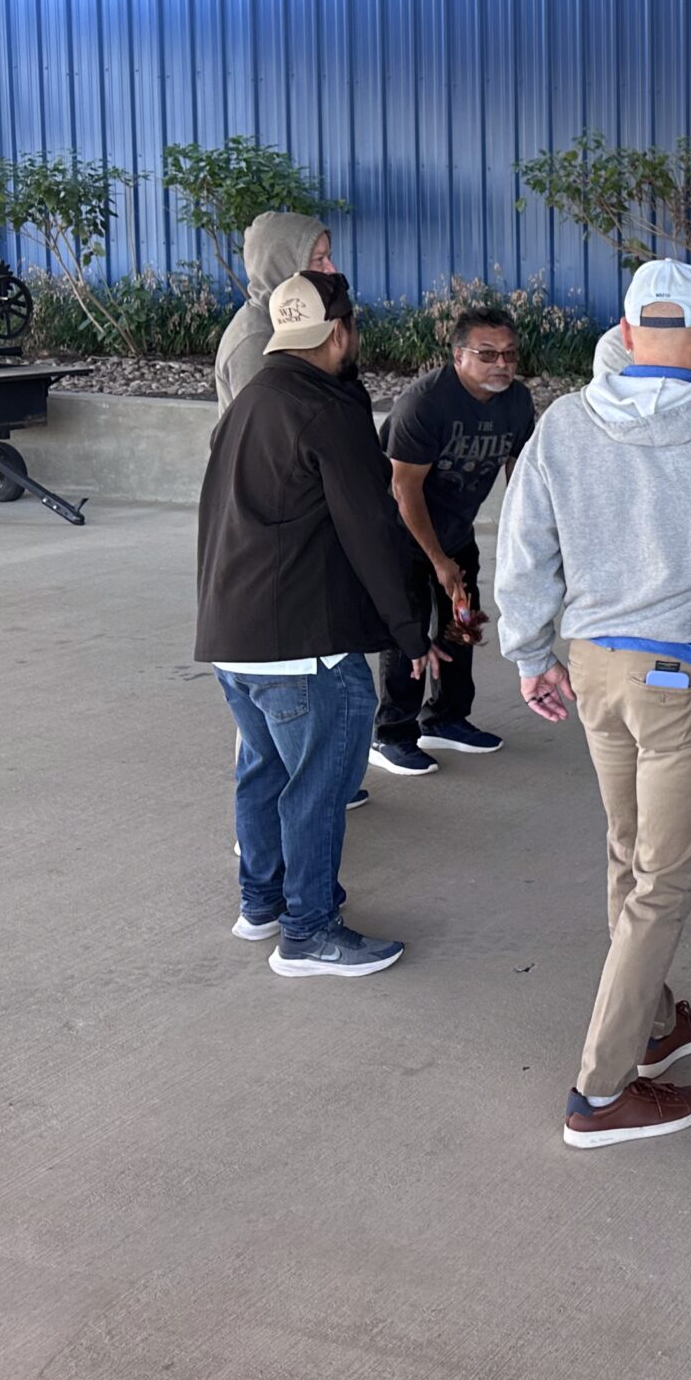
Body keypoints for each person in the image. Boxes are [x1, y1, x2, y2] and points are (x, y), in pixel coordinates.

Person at [493, 260, 691, 1152]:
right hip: (687, 685)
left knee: (630, 855)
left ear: (626, 335)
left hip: (594, 672)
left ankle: (656, 1021)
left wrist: (528, 653)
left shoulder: (563, 424)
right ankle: (600, 1092)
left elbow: (524, 550)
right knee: (662, 886)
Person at [196, 270, 434, 978]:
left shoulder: (249, 401)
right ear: (340, 334)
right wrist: (408, 632)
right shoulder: (327, 409)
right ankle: (308, 931)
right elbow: (372, 529)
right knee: (318, 788)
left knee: (264, 772)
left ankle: (261, 904)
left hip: (233, 638)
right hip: (302, 644)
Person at [369, 305, 536, 778]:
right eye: (487, 354)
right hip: (401, 534)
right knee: (409, 634)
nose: (501, 363)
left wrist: (523, 537)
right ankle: (391, 734)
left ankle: (445, 719)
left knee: (462, 626)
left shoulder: (517, 402)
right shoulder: (426, 403)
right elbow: (404, 489)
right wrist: (438, 560)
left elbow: (521, 473)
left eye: (509, 354)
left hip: (457, 531)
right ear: (458, 355)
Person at [213, 212, 335, 414]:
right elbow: (267, 427)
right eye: (319, 259)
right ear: (283, 265)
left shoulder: (295, 322)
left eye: (329, 257)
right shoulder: (254, 342)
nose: (331, 269)